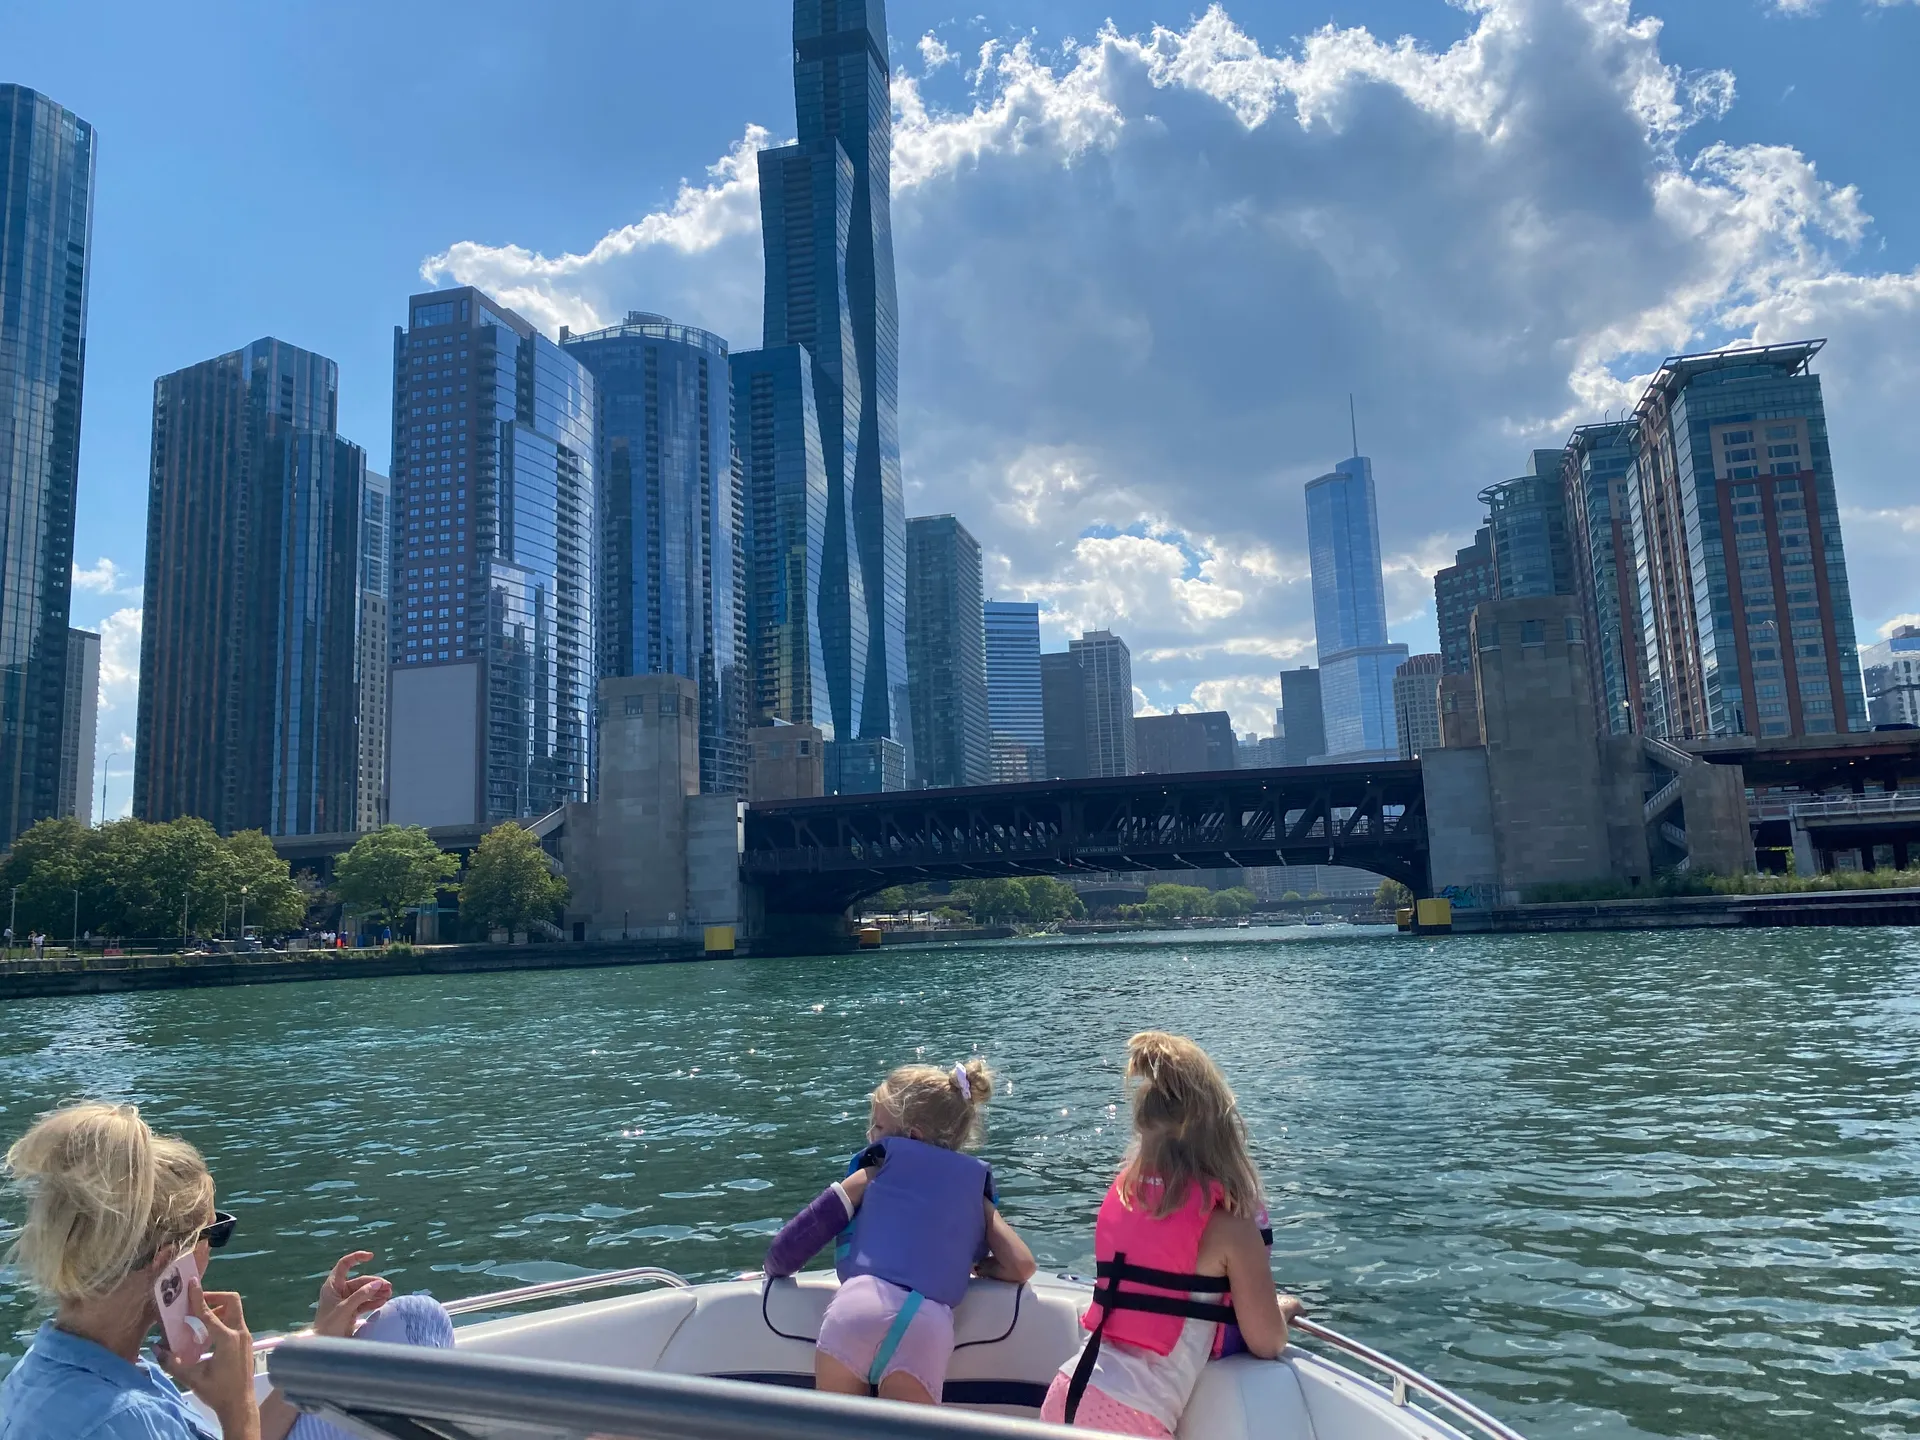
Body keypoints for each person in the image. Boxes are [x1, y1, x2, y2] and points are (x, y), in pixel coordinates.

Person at [0, 1102, 449, 1440]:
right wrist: (236, 1408)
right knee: (419, 1321)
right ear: (168, 1266)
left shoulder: (68, 1371)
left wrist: (323, 1342)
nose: (211, 1252)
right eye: (213, 1233)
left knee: (419, 1316)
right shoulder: (123, 1421)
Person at [1041, 1032, 1305, 1437]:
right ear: (1223, 1136)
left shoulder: (1130, 1199)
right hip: (1130, 1417)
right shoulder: (1230, 1227)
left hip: (1067, 1391)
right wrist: (1280, 1309)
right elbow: (1267, 1342)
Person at [764, 1059, 1036, 1405]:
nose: (871, 1137)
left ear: (913, 1136)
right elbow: (1022, 1265)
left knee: (836, 1429)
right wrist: (978, 1268)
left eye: (877, 1127)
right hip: (927, 1325)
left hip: (858, 1308)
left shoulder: (875, 1173)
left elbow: (806, 1232)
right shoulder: (974, 1196)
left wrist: (774, 1268)